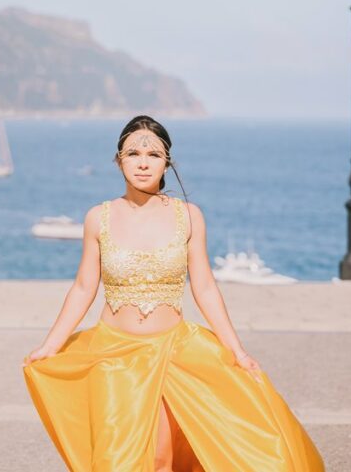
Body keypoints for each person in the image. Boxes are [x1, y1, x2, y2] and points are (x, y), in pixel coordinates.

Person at [22, 115, 325, 471]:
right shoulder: (97, 218)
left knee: (163, 457)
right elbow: (84, 287)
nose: (143, 161)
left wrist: (237, 351)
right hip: (114, 357)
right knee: (117, 460)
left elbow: (206, 287)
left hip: (174, 353)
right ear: (119, 160)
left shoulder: (189, 216)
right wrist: (50, 345)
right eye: (133, 152)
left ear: (167, 162)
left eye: (154, 154)